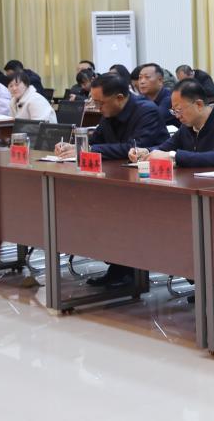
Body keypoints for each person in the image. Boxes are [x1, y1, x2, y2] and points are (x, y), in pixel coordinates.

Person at [53, 73, 167, 288]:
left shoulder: (147, 111)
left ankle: (130, 271)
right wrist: (75, 147)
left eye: (100, 103)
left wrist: (90, 149)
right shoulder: (109, 111)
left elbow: (133, 148)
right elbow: (97, 140)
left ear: (119, 98)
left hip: (147, 183)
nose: (97, 108)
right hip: (115, 178)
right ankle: (119, 267)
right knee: (101, 216)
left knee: (121, 219)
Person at [129, 79, 214, 168]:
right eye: (174, 111)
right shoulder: (188, 125)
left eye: (179, 110)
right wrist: (146, 152)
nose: (177, 116)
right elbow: (165, 148)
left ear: (199, 104)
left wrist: (173, 156)